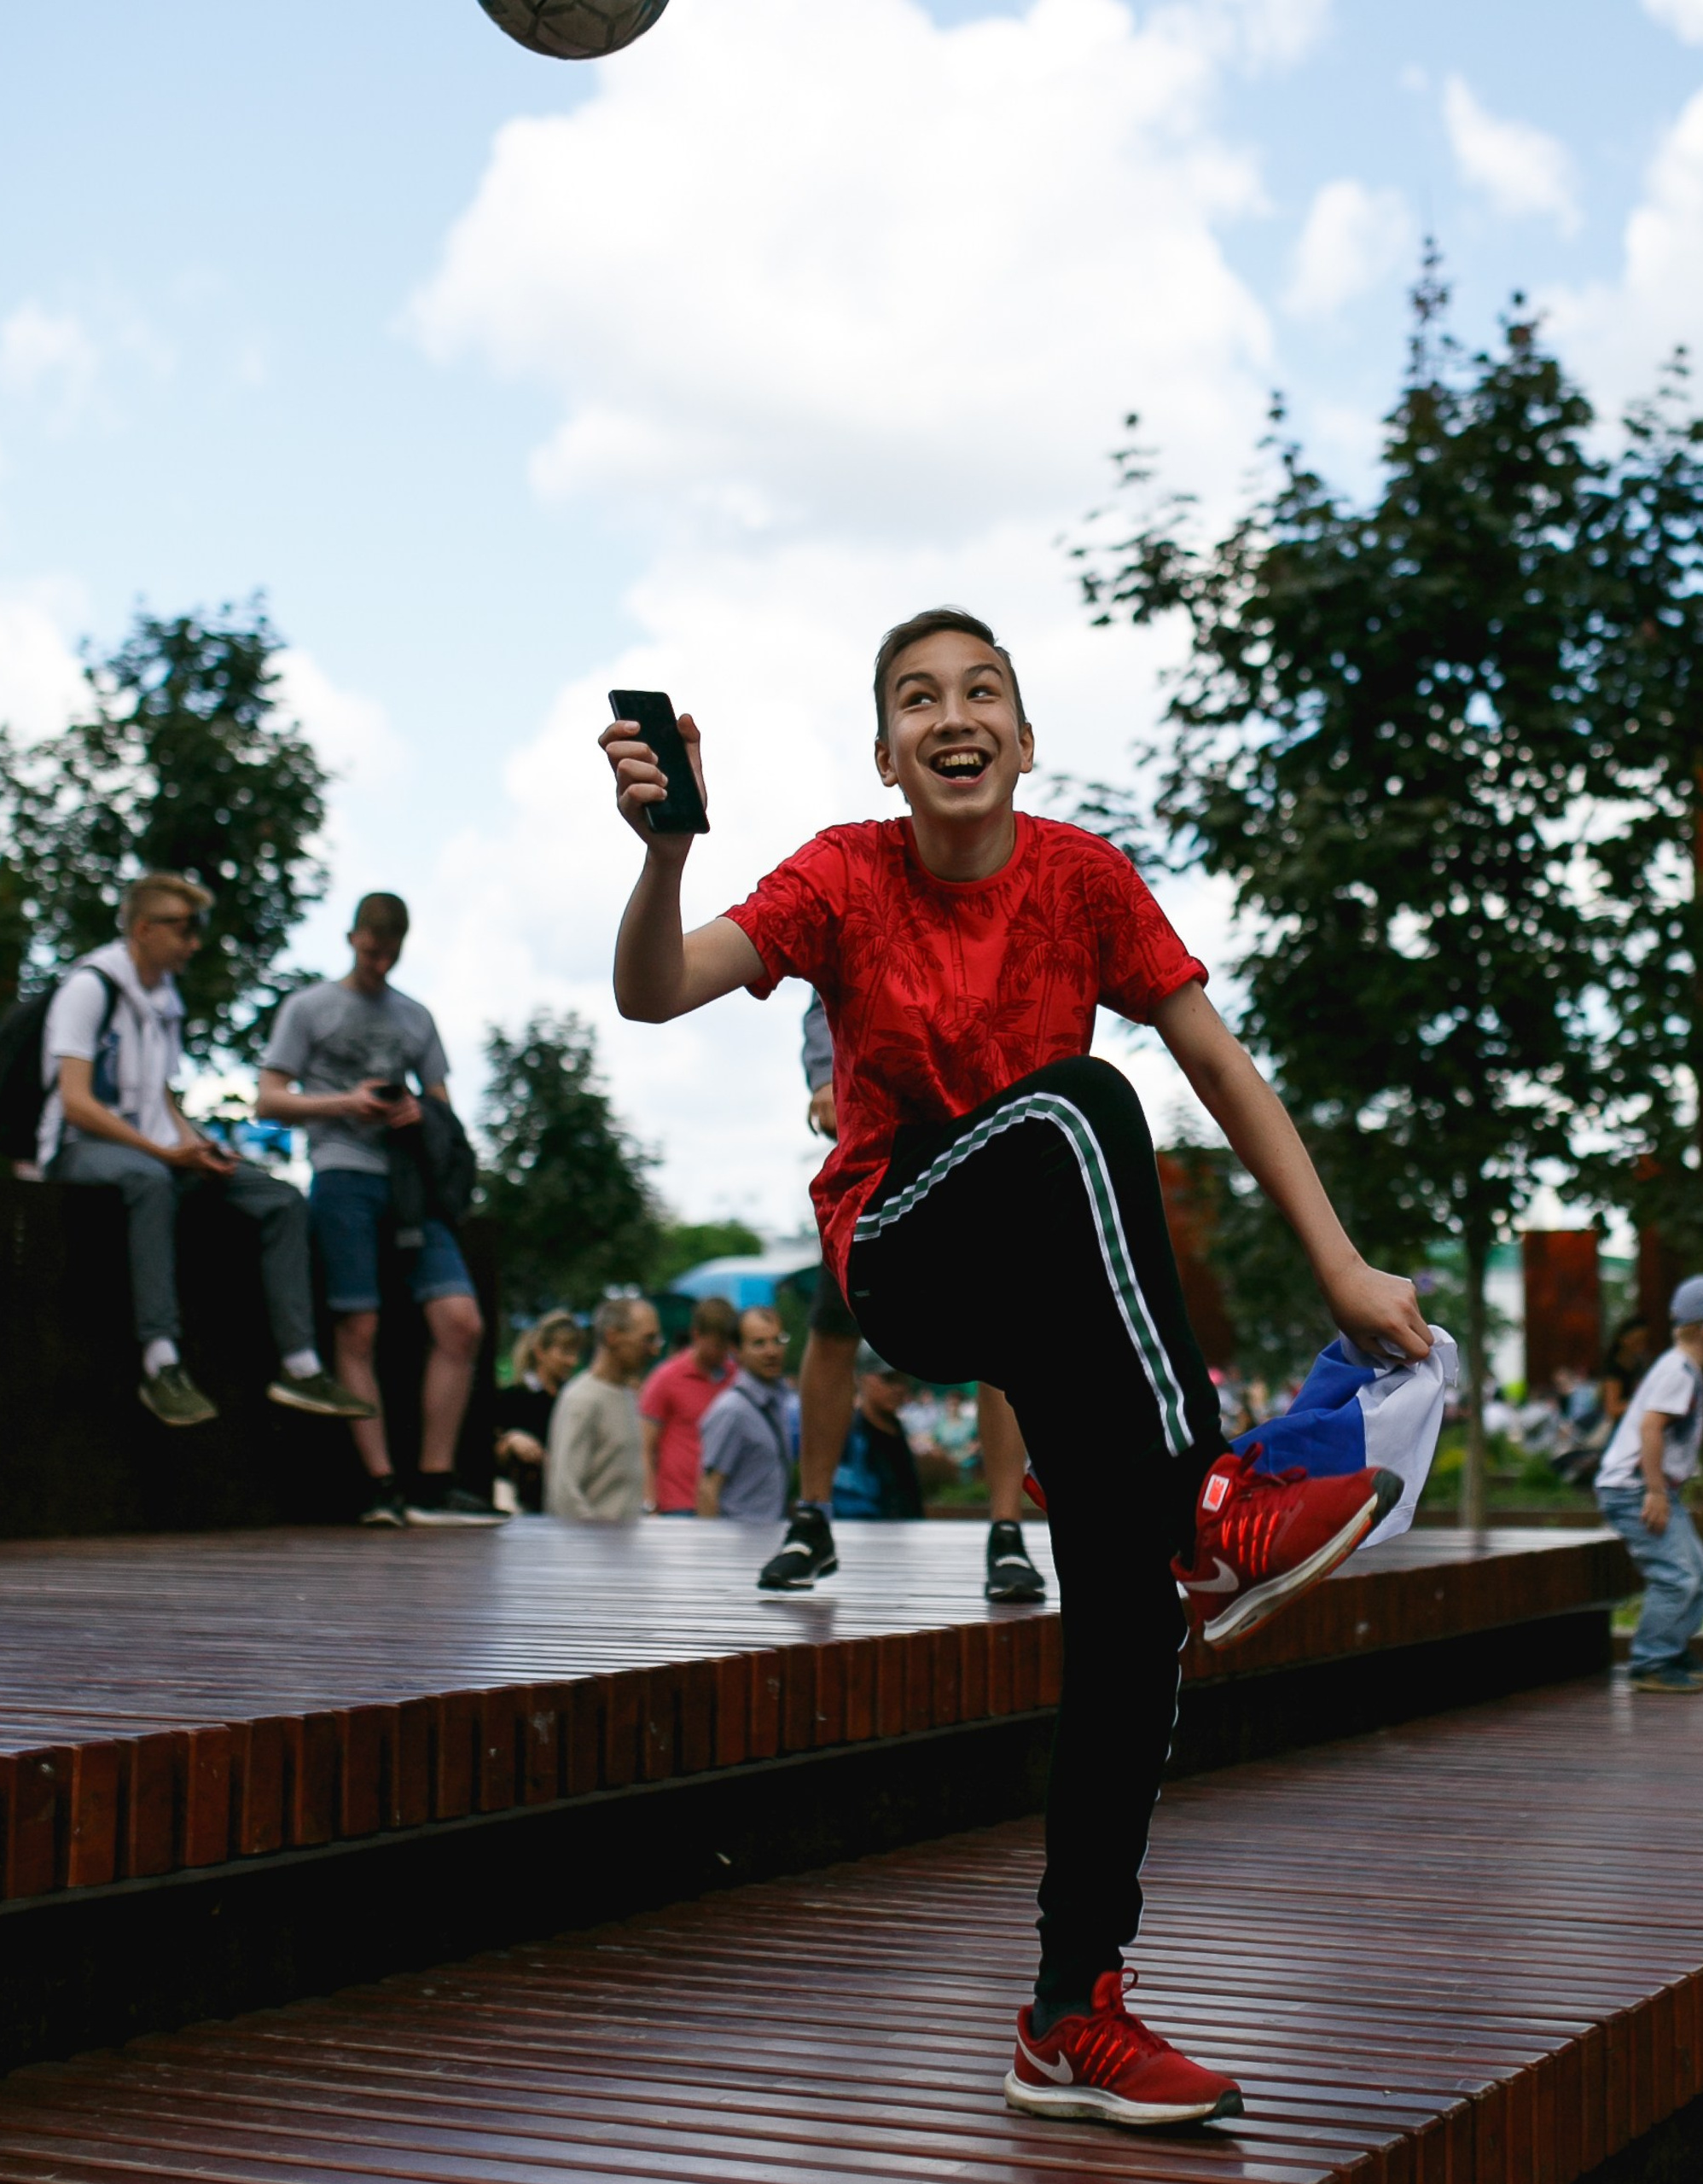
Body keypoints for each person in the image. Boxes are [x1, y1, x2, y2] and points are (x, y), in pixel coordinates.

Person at [602, 604, 1433, 2129]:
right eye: (919, 700)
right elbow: (655, 991)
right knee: (1077, 1107)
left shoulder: (1083, 878)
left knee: (1128, 1625)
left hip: (1055, 1288)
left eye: (982, 692)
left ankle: (1070, 2012)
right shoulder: (845, 872)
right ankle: (1207, 1499)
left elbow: (1221, 1061)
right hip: (907, 1246)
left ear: (1026, 740)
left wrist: (1338, 1261)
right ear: (888, 753)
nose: (953, 715)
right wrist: (666, 851)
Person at [41, 871, 370, 1430]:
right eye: (184, 927)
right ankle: (161, 1363)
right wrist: (164, 1154)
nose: (194, 942)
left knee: (280, 1199)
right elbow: (75, 1102)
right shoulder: (90, 987)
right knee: (150, 1181)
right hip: (80, 1149)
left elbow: (160, 1098)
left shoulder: (164, 998)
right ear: (143, 928)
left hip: (153, 1151)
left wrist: (199, 1145)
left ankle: (300, 1365)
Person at [757, 990, 1046, 1600]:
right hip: (879, 1136)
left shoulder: (986, 899)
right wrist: (822, 1078)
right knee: (834, 1325)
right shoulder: (871, 896)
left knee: (1001, 1331)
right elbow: (822, 999)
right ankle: (812, 1517)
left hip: (973, 1120)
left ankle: (1006, 1530)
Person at [259, 892, 497, 1527]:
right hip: (342, 1172)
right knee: (356, 1327)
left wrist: (419, 1110)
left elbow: (445, 1108)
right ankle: (381, 1485)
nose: (379, 962)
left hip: (410, 1183)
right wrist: (345, 1103)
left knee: (461, 1323)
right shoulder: (309, 1007)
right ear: (351, 938)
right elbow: (270, 1099)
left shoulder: (417, 1016)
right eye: (371, 950)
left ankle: (435, 1480)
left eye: (390, 953)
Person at [1594, 1274, 1703, 1695]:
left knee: (1697, 1571)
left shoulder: (1683, 1368)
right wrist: (1655, 1491)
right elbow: (1651, 1429)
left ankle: (1671, 1651)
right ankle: (1651, 1660)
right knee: (1676, 1576)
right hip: (1633, 1489)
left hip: (1652, 1486)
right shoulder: (1678, 1371)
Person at [545, 1297, 660, 1519]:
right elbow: (564, 1493)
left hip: (623, 1546)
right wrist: (593, 1546)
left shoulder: (626, 1394)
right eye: (647, 1339)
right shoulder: (583, 1399)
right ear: (613, 1336)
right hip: (596, 1548)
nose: (654, 1350)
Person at [638, 1296, 740, 1514]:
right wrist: (650, 1504)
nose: (723, 1353)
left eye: (727, 1346)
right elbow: (645, 1446)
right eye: (716, 1345)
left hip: (722, 1503)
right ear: (697, 1335)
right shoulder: (666, 1377)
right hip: (678, 1503)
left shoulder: (735, 1377)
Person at [699, 1305, 799, 1519]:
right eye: (759, 1344)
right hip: (740, 1539)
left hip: (772, 1532)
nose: (772, 1351)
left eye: (778, 1340)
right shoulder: (732, 1410)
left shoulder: (781, 1400)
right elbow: (708, 1488)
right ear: (737, 1351)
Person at [491, 1310, 584, 1513]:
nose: (572, 1361)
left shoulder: (572, 1399)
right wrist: (511, 1440)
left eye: (575, 1353)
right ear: (540, 1351)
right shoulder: (512, 1397)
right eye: (565, 1352)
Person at [831, 1345, 924, 1519]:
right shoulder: (852, 1439)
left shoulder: (896, 1429)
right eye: (889, 1379)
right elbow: (850, 1505)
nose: (899, 1388)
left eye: (904, 1378)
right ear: (861, 1379)